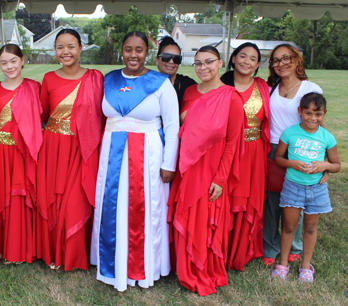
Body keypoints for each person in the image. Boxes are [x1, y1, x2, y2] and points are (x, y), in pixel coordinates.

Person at [90, 31, 179, 291]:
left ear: (146, 53)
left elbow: (172, 126)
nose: (133, 55)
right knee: (113, 206)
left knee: (144, 208)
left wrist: (168, 164)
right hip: (112, 152)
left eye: (138, 50)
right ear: (122, 51)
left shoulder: (160, 83)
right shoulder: (108, 80)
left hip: (148, 154)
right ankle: (112, 264)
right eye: (128, 49)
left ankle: (144, 267)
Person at [167, 45, 245, 296]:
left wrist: (221, 178)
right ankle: (183, 266)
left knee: (204, 219)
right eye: (198, 63)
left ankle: (202, 268)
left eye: (208, 62)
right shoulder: (189, 91)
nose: (203, 68)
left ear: (220, 63)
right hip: (186, 167)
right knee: (186, 214)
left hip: (212, 169)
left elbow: (233, 141)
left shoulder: (230, 96)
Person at [35, 29, 104, 271]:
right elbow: (43, 114)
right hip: (54, 147)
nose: (66, 52)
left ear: (80, 48)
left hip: (82, 148)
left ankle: (75, 254)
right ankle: (53, 251)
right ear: (55, 51)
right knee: (54, 198)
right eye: (60, 47)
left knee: (76, 198)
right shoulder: (48, 79)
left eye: (71, 46)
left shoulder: (96, 78)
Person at [262, 44, 324, 266]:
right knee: (271, 200)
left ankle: (295, 245)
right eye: (276, 60)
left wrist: (324, 162)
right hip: (272, 148)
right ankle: (269, 245)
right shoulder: (271, 87)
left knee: (297, 199)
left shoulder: (310, 88)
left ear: (297, 60)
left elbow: (318, 123)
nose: (281, 63)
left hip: (301, 148)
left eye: (286, 58)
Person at [0, 44, 43, 263]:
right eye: (4, 62)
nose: (9, 67)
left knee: (18, 197)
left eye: (13, 61)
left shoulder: (34, 87)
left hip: (21, 150)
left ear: (22, 60)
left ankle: (17, 249)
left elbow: (41, 116)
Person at [271, 93, 340, 282]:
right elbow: (278, 158)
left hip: (316, 189)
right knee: (289, 226)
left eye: (318, 114)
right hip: (293, 187)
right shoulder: (290, 133)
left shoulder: (328, 137)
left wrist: (324, 166)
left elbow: (336, 165)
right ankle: (283, 264)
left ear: (324, 113)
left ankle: (305, 266)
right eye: (308, 113)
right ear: (300, 111)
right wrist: (292, 163)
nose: (312, 118)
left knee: (310, 228)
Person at [220, 43, 270, 271]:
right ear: (232, 59)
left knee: (249, 200)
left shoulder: (264, 88)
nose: (246, 61)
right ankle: (222, 249)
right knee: (227, 199)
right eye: (242, 56)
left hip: (254, 152)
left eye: (252, 59)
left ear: (258, 65)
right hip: (227, 152)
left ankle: (243, 249)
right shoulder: (219, 85)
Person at [155, 36, 196, 113]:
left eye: (176, 59)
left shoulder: (189, 85)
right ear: (157, 60)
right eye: (166, 57)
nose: (171, 62)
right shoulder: (147, 83)